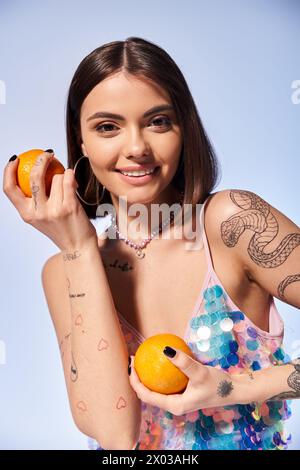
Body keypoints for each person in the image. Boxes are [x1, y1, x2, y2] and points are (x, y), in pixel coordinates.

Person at [3, 36, 300, 451]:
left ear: (184, 128)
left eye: (158, 121)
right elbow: (115, 436)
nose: (137, 147)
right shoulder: (62, 271)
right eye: (108, 127)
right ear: (82, 142)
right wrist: (79, 250)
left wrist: (233, 388)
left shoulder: (234, 224)